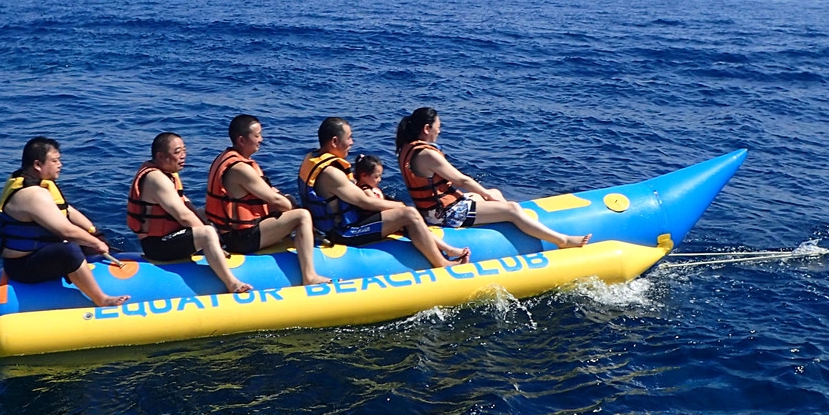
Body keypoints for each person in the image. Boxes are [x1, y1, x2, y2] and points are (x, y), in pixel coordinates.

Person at [395, 106, 591, 248]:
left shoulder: (406, 149)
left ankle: (507, 226)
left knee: (495, 193)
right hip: (445, 215)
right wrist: (485, 194)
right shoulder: (427, 154)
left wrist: (488, 195)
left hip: (434, 210)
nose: (441, 130)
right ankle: (562, 241)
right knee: (512, 208)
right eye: (438, 126)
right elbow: (462, 181)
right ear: (427, 129)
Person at [298, 116, 470, 266]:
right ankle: (442, 263)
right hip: (344, 232)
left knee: (403, 212)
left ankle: (446, 248)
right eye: (349, 138)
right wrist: (397, 205)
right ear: (334, 141)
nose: (352, 142)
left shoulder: (312, 158)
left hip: (328, 227)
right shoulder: (331, 173)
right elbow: (364, 201)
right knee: (408, 214)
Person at [0, 136, 129, 308]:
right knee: (69, 249)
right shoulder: (33, 194)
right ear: (37, 164)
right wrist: (96, 243)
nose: (60, 165)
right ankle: (101, 299)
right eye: (55, 160)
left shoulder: (34, 183)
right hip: (23, 267)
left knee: (87, 242)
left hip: (37, 254)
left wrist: (93, 232)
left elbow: (67, 210)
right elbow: (67, 231)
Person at [204, 114, 331, 286]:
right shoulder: (240, 169)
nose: (261, 139)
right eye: (257, 135)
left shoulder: (226, 158)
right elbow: (276, 201)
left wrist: (286, 201)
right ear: (242, 140)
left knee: (289, 200)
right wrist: (289, 206)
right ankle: (309, 275)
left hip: (229, 233)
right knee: (302, 216)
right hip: (242, 239)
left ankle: (298, 241)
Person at [128, 132, 254, 294]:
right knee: (206, 233)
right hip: (157, 245)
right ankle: (232, 283)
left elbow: (187, 206)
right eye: (177, 152)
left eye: (184, 151)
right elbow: (183, 216)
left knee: (206, 213)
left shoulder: (166, 174)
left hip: (170, 235)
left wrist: (207, 220)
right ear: (160, 156)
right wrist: (210, 236)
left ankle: (233, 244)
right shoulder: (156, 179)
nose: (183, 156)